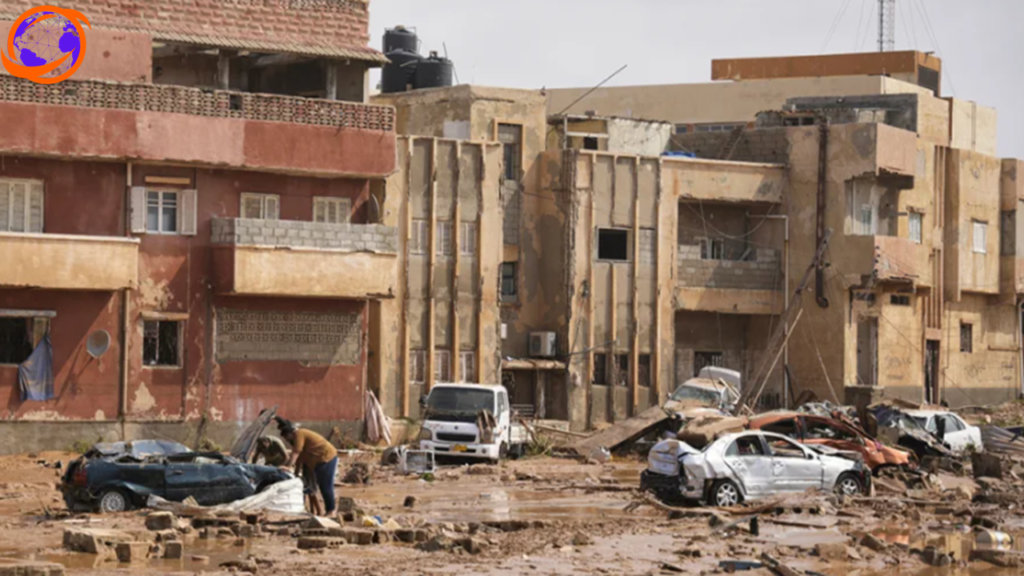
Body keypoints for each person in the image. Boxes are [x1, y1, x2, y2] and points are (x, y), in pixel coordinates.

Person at [275, 416, 338, 515]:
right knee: (313, 486)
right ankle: (322, 510)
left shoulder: (299, 434)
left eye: (286, 437)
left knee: (325, 486)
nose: (287, 440)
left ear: (290, 433)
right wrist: (295, 473)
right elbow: (300, 458)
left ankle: (331, 511)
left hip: (326, 458)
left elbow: (296, 453)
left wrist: (288, 467)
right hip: (315, 462)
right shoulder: (297, 438)